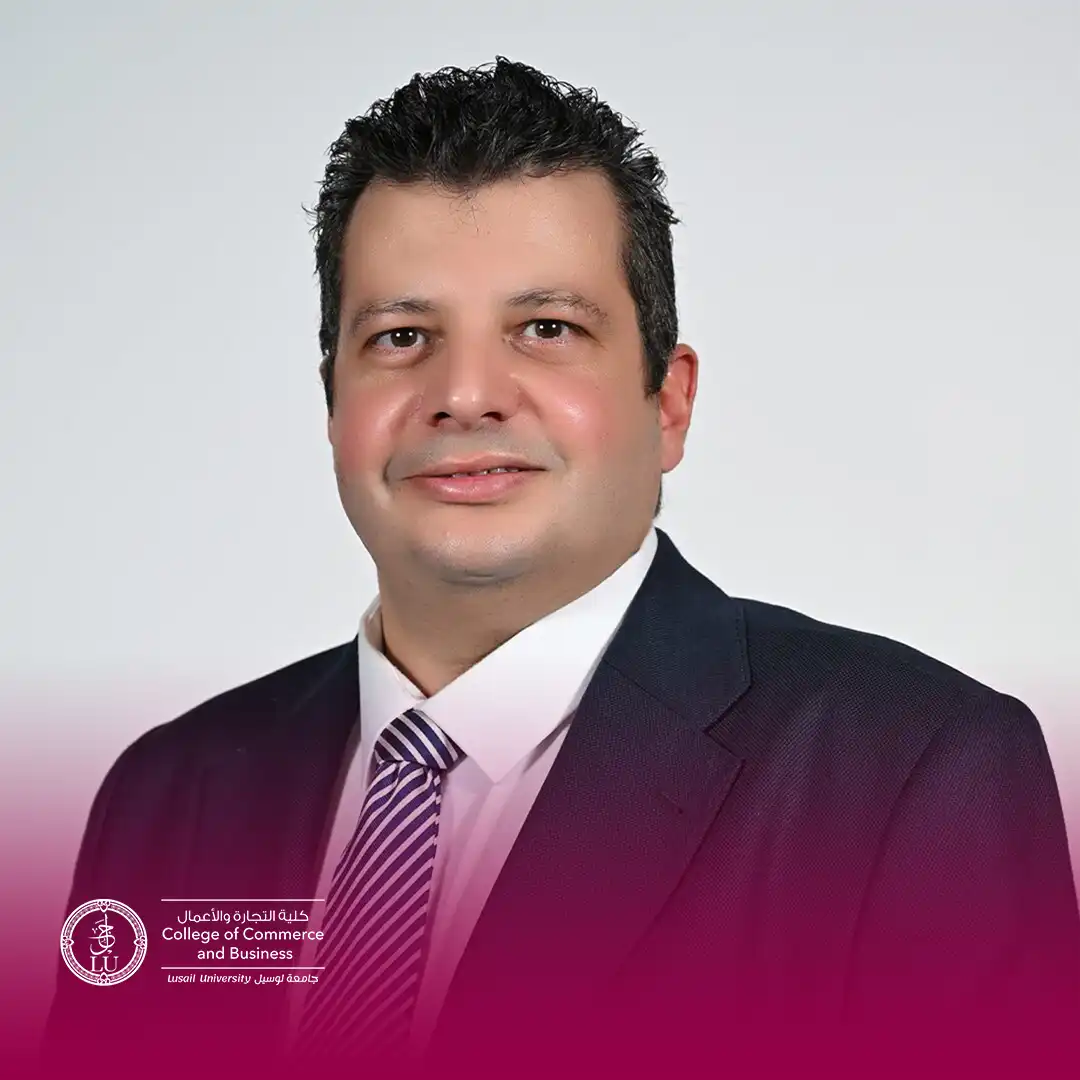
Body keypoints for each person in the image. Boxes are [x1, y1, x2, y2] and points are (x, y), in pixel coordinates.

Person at [43, 57, 1079, 1077]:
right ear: (332, 405)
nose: (466, 395)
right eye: (401, 336)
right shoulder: (169, 795)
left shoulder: (914, 777)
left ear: (667, 403)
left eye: (546, 328)